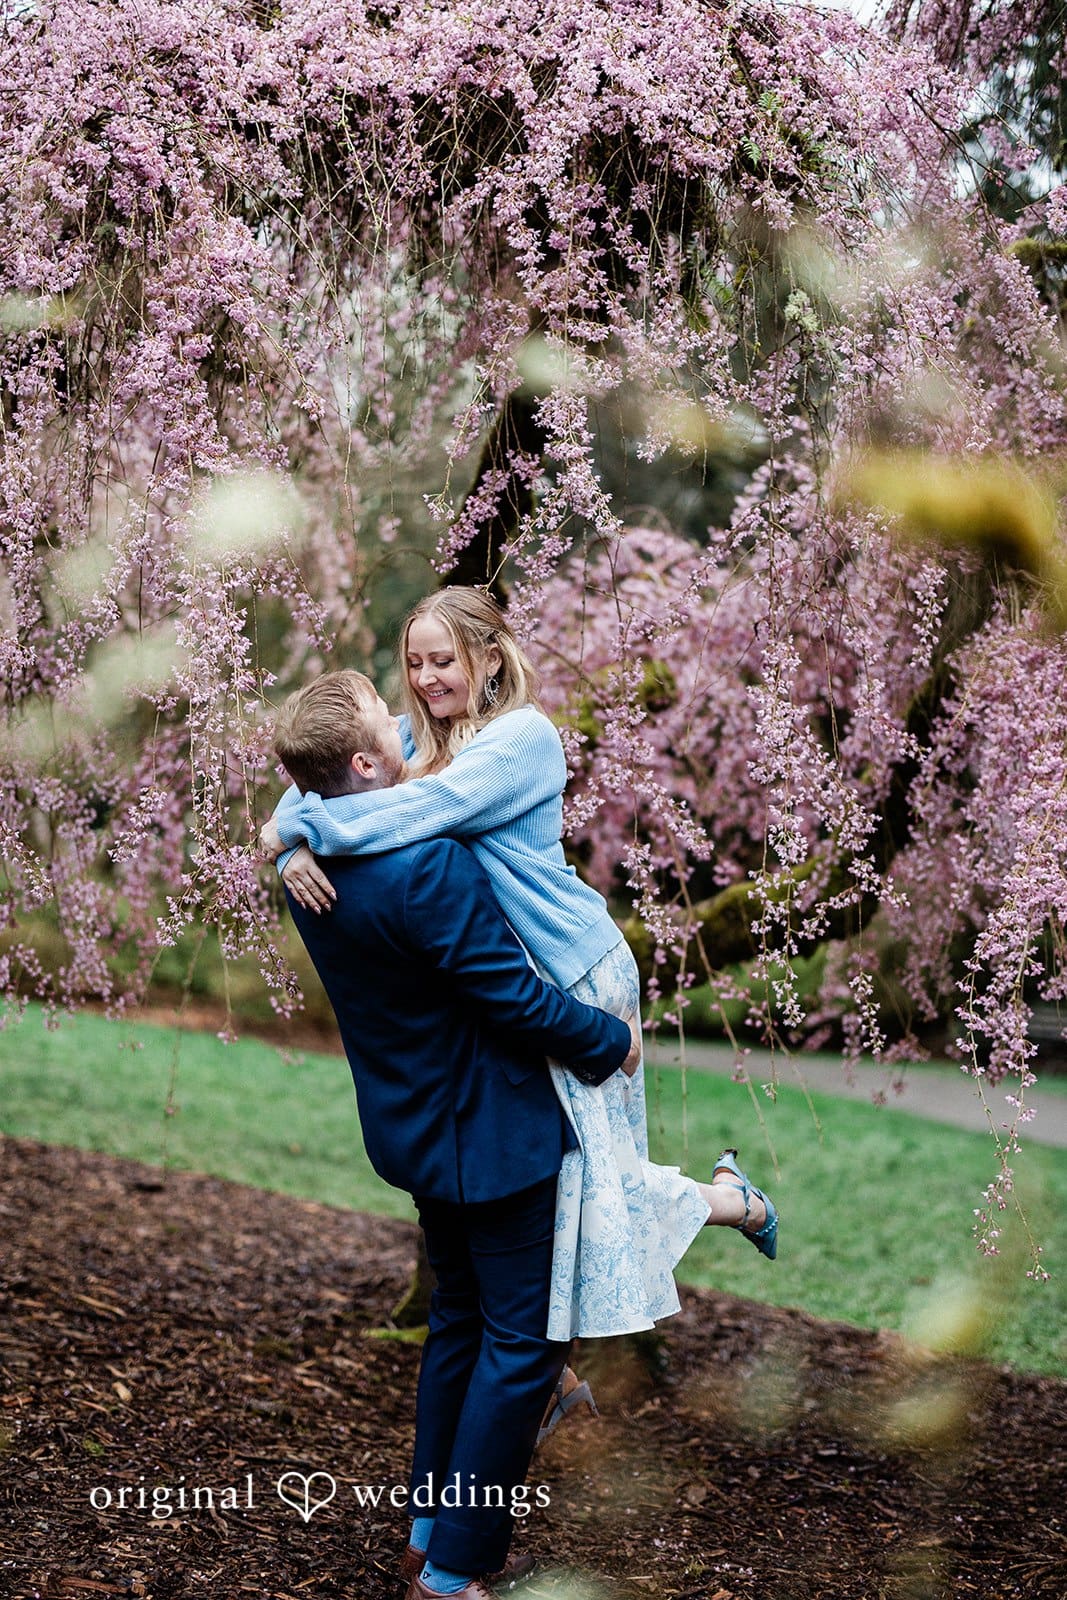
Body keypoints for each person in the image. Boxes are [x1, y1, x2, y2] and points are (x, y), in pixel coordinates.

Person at [260, 588, 778, 1351]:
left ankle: (738, 1206)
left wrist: (291, 830)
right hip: (514, 970)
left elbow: (407, 813)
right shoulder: (414, 735)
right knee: (569, 1183)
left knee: (590, 1178)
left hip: (570, 964)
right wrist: (289, 833)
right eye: (415, 662)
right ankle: (555, 1373)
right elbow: (322, 772)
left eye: (446, 660)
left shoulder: (519, 739)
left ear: (490, 656)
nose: (429, 677)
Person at [270, 670, 642, 1599]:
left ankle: (428, 1525)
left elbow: (325, 776)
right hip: (495, 1132)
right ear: (365, 761)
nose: (409, 726)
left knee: (458, 1323)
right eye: (386, 730)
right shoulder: (424, 866)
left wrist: (285, 836)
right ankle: (452, 1575)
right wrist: (611, 1042)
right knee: (522, 1348)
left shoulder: (313, 868)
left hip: (416, 1133)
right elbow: (511, 998)